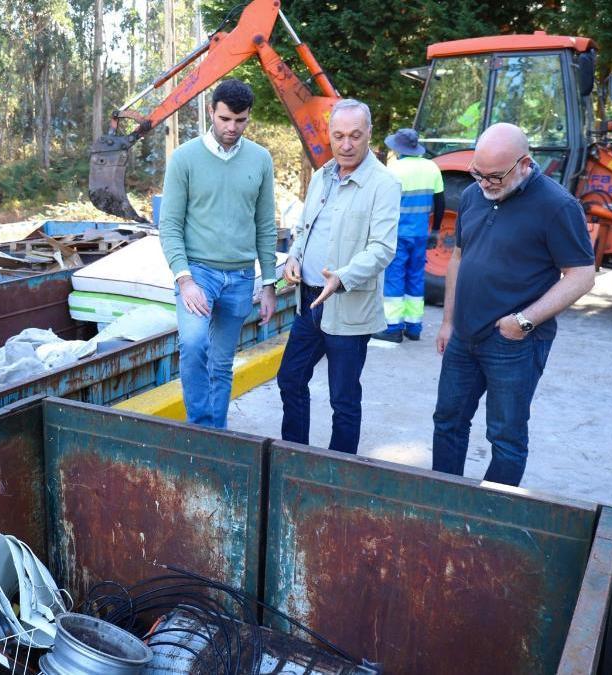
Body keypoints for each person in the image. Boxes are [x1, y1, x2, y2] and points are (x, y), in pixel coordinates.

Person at [431, 123, 595, 486]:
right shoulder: (473, 194)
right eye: (478, 172)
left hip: (513, 342)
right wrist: (448, 321)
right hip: (464, 336)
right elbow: (458, 257)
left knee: (505, 438)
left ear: (524, 164)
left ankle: (491, 512)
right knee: (447, 422)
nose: (485, 183)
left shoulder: (557, 206)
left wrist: (523, 321)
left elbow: (582, 275)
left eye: (495, 176)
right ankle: (444, 500)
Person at [277, 99, 400, 453]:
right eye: (339, 135)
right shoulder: (321, 176)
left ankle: (338, 470)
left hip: (348, 308)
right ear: (329, 135)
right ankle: (295, 458)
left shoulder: (384, 184)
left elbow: (382, 248)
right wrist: (294, 257)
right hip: (309, 303)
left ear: (369, 134)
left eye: (355, 136)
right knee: (290, 379)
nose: (346, 144)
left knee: (343, 399)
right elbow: (304, 229)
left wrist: (342, 277)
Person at [159, 78, 277, 429]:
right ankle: (200, 430)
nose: (232, 128)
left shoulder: (260, 159)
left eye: (241, 120)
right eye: (225, 118)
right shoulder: (184, 158)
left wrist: (269, 283)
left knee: (222, 363)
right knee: (194, 345)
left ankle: (217, 434)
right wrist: (185, 280)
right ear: (211, 111)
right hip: (198, 273)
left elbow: (265, 224)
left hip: (241, 277)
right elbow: (170, 224)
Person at [373, 128, 445, 343]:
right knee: (415, 277)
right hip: (421, 235)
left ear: (398, 148)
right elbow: (440, 203)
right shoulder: (432, 167)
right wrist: (435, 230)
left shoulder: (393, 170)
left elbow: (383, 205)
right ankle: (414, 327)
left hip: (397, 235)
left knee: (394, 278)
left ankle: (393, 328)